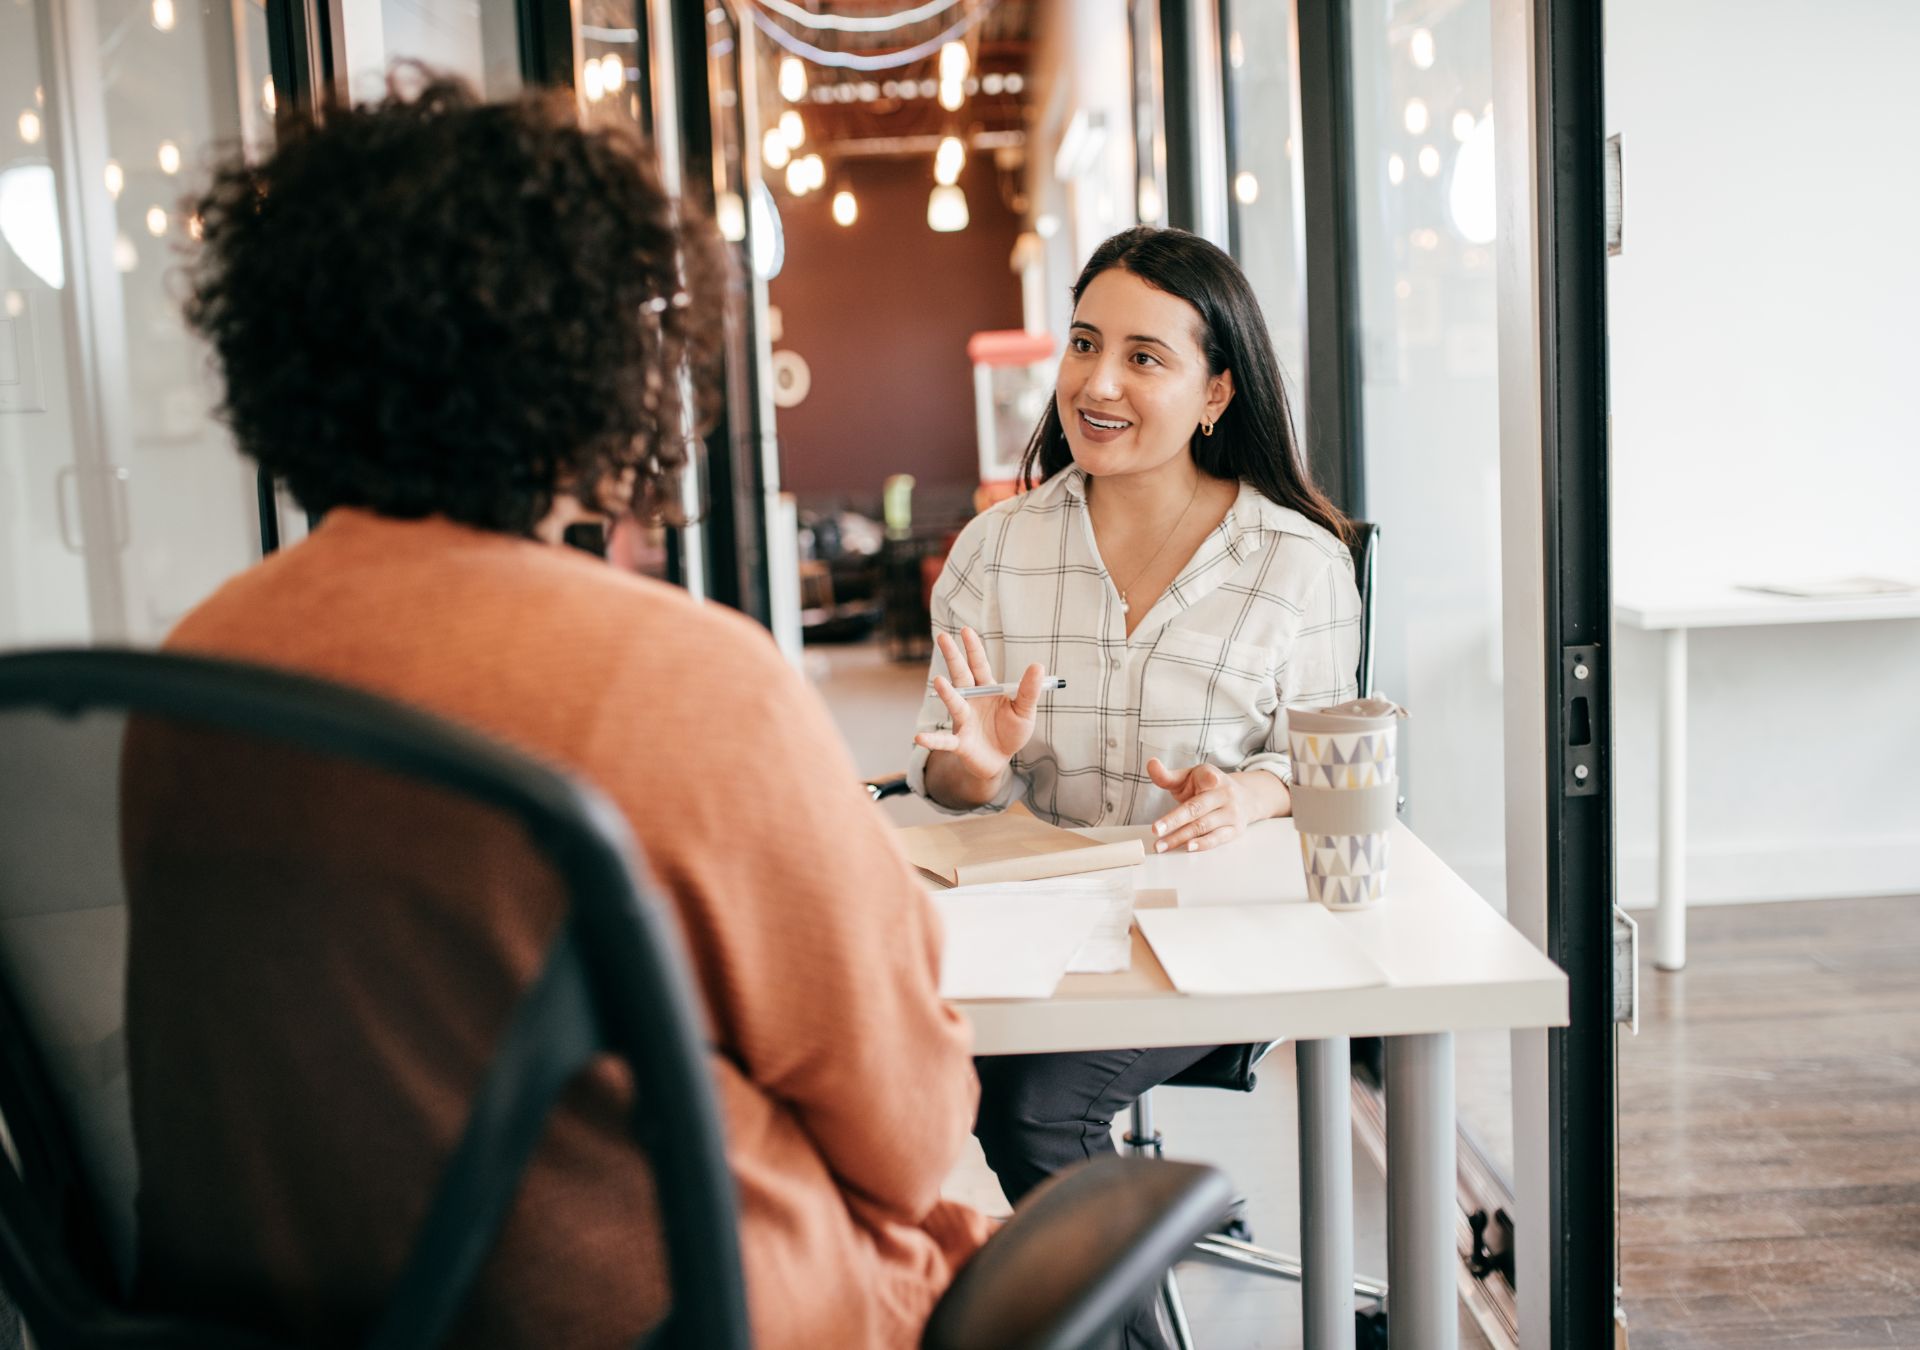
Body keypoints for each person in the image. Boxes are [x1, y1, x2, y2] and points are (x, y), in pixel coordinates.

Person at [126, 75, 989, 1350]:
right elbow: (911, 1129)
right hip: (665, 1314)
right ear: (585, 360)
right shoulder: (684, 679)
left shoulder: (197, 670)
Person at [907, 225, 1361, 1349]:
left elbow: (1328, 761)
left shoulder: (1298, 563)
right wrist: (974, 762)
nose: (1095, 384)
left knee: (1031, 1108)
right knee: (940, 1074)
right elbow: (950, 781)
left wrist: (1247, 794)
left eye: (1144, 358)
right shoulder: (994, 552)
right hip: (1036, 923)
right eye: (1082, 345)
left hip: (1199, 927)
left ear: (1217, 392)